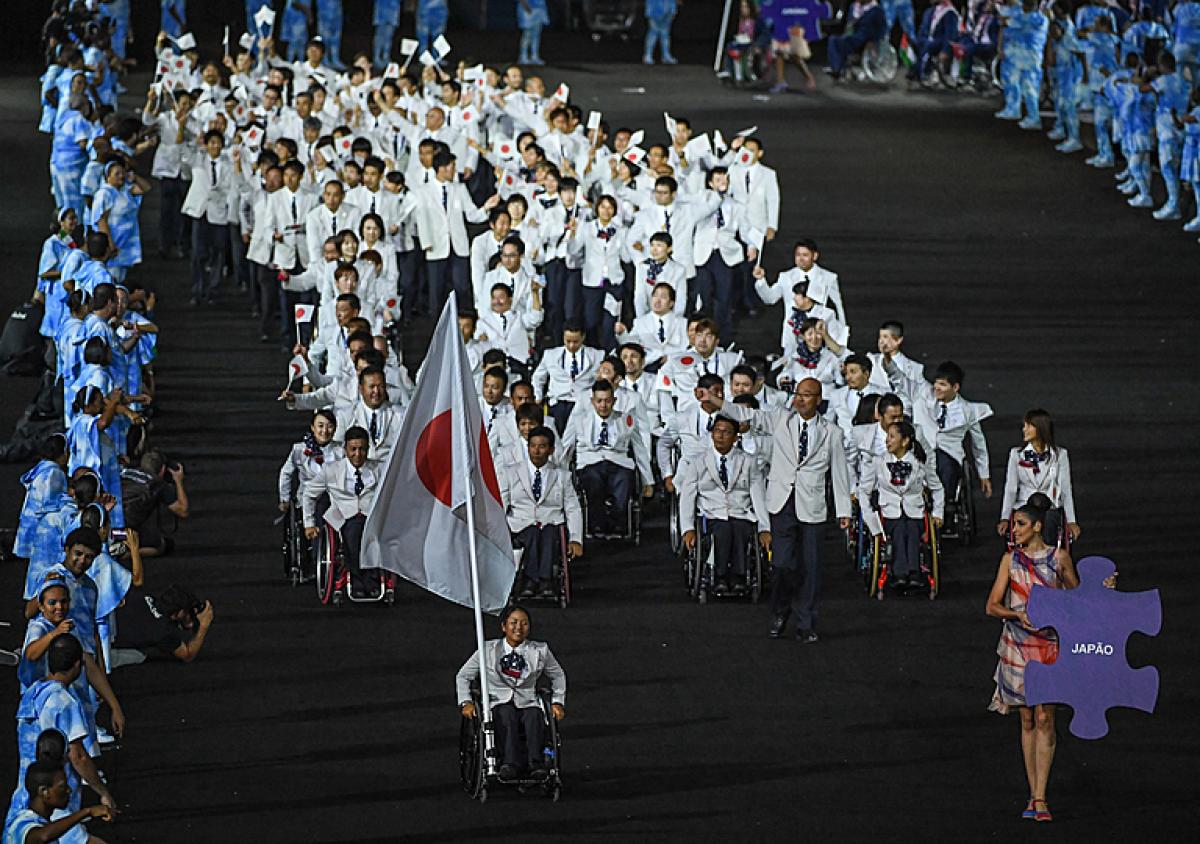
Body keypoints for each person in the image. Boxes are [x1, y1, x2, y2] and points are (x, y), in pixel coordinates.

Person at [704, 377, 851, 641]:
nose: (801, 399)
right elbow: (744, 413)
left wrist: (844, 511)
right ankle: (780, 610)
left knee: (812, 567)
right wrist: (715, 400)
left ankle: (806, 624)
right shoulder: (780, 419)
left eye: (808, 395)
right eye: (798, 394)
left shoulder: (833, 432)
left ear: (818, 400)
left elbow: (839, 473)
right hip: (781, 502)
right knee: (783, 565)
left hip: (812, 506)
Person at [985, 502, 1082, 823]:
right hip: (1018, 646)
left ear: (1038, 527)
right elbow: (992, 605)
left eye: (1021, 524)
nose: (1015, 530)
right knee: (1027, 719)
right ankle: (1033, 793)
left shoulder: (1059, 559)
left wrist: (1104, 588)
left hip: (1049, 648)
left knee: (1045, 719)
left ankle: (1040, 796)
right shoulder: (1009, 561)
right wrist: (1017, 614)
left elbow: (1079, 600)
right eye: (1014, 525)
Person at [455, 605, 567, 781]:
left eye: (524, 623)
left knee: (534, 716)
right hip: (497, 701)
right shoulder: (487, 650)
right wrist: (466, 702)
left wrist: (557, 701)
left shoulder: (540, 650)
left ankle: (535, 763)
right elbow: (463, 676)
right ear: (504, 626)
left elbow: (558, 675)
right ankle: (510, 763)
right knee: (506, 715)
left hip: (527, 700)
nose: (518, 628)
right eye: (513, 623)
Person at [677, 416, 771, 594]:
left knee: (740, 529)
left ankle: (738, 577)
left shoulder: (748, 462)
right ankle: (720, 577)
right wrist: (687, 528)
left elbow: (759, 497)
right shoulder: (698, 462)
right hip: (712, 514)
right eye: (717, 431)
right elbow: (687, 497)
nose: (720, 436)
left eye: (726, 432)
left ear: (736, 438)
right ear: (711, 434)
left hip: (740, 512)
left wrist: (764, 528)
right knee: (723, 530)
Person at [561, 380, 654, 537]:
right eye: (599, 401)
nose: (603, 405)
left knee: (624, 480)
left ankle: (619, 523)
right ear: (592, 401)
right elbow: (566, 447)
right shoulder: (579, 420)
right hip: (590, 462)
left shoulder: (625, 420)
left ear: (614, 401)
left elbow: (640, 450)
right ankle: (596, 523)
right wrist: (561, 475)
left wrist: (648, 480)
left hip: (619, 462)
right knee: (593, 481)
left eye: (607, 401)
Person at [499, 426, 584, 598]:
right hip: (520, 526)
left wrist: (576, 539)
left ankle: (545, 581)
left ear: (551, 450)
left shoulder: (562, 476)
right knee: (531, 533)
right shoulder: (510, 473)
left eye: (542, 446)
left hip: (551, 525)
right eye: (533, 446)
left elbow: (573, 508)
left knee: (548, 533)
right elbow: (501, 504)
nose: (536, 451)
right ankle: (531, 579)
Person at [858, 419, 943, 589]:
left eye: (891, 437)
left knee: (911, 529)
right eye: (887, 437)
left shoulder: (919, 463)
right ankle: (900, 572)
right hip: (888, 513)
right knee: (898, 529)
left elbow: (937, 488)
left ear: (904, 441)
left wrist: (938, 513)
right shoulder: (878, 462)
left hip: (915, 512)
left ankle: (914, 572)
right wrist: (870, 519)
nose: (886, 441)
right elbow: (864, 490)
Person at [303, 425, 381, 597]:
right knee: (353, 532)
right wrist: (309, 523)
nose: (357, 454)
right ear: (346, 449)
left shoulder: (379, 469)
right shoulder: (331, 470)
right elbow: (308, 494)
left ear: (368, 449)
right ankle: (357, 581)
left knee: (372, 532)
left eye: (362, 449)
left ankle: (372, 579)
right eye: (353, 449)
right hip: (343, 516)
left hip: (370, 516)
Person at [997, 408, 1079, 544]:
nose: (1024, 429)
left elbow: (1065, 489)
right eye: (1024, 425)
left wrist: (1071, 521)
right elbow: (1011, 488)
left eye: (1029, 425)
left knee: (1049, 518)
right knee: (1027, 519)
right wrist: (1004, 518)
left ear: (1040, 428)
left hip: (1050, 508)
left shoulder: (1060, 455)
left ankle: (1046, 556)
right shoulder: (1016, 454)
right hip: (1024, 506)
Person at [5, 760, 113, 844]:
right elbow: (42, 837)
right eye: (62, 787)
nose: (69, 790)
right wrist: (87, 812)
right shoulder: (22, 824)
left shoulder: (43, 821)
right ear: (44, 792)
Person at [112, 584, 214, 665]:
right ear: (176, 614)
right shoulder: (163, 631)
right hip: (107, 645)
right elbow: (187, 655)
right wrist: (203, 627)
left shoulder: (145, 595)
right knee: (140, 656)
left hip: (104, 620)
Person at [119, 450, 188, 558]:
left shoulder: (124, 471)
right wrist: (178, 481)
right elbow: (183, 511)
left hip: (108, 525)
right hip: (127, 530)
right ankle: (125, 553)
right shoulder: (157, 484)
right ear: (163, 469)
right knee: (160, 546)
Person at [644, 0, 679, 65]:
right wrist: (649, 14)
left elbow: (672, 3)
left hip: (667, 14)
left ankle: (666, 55)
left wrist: (673, 12)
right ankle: (648, 55)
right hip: (655, 14)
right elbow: (649, 3)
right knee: (653, 34)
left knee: (665, 35)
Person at [518, 0, 550, 65]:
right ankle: (523, 56)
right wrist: (527, 8)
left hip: (539, 11)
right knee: (527, 35)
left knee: (536, 36)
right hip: (528, 10)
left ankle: (535, 56)